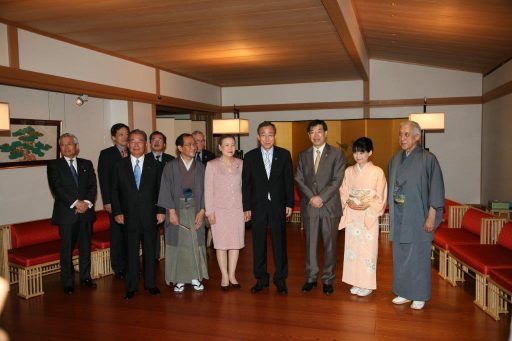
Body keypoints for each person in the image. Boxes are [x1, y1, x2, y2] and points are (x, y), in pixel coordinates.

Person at [388, 121, 444, 310]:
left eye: (406, 134)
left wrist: (432, 215)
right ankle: (404, 291)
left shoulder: (428, 159)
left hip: (418, 215)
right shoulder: (395, 159)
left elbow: (436, 188)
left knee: (418, 255)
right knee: (401, 254)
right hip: (400, 213)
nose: (402, 138)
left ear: (417, 137)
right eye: (400, 134)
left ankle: (419, 294)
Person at [111, 129, 165, 300]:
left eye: (139, 141)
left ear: (146, 144)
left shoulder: (155, 165)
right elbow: (114, 192)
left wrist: (161, 211)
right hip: (128, 217)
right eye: (132, 141)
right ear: (128, 144)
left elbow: (160, 191)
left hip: (150, 216)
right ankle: (131, 287)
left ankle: (150, 284)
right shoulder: (119, 165)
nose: (136, 144)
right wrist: (118, 212)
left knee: (150, 253)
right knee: (130, 253)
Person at [242, 121, 294, 295]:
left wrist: (289, 203)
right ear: (258, 137)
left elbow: (288, 181)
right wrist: (246, 207)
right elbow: (246, 185)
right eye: (263, 134)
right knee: (258, 244)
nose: (266, 138)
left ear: (275, 136)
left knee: (279, 244)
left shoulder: (284, 155)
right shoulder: (250, 157)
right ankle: (261, 279)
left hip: (278, 206)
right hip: (257, 206)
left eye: (270, 134)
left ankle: (280, 279)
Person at [295, 120, 345, 295]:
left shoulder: (337, 154)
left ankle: (328, 279)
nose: (315, 135)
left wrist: (321, 197)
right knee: (310, 244)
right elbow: (299, 179)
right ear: (308, 135)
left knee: (330, 245)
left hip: (329, 206)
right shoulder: (303, 155)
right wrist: (312, 197)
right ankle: (311, 277)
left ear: (326, 133)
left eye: (319, 131)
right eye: (312, 132)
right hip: (310, 206)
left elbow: (337, 179)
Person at [158, 133, 209, 293]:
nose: (194, 147)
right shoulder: (170, 166)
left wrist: (202, 210)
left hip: (196, 207)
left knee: (195, 242)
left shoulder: (201, 167)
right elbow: (165, 189)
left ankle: (195, 276)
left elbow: (208, 191)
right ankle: (179, 278)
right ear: (179, 148)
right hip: (176, 208)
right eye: (189, 144)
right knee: (179, 244)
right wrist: (171, 212)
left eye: (195, 144)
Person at [47, 133, 97, 294]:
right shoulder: (54, 165)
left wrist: (87, 204)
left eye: (70, 144)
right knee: (66, 249)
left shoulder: (86, 164)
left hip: (86, 213)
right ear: (60, 148)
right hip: (66, 215)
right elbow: (57, 188)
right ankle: (67, 282)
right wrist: (76, 203)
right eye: (63, 145)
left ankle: (85, 278)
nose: (66, 147)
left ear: (76, 147)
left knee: (85, 247)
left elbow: (92, 186)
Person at [339, 137, 387, 297]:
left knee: (367, 249)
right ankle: (355, 281)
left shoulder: (377, 172)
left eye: (362, 152)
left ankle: (366, 284)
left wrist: (367, 204)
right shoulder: (349, 171)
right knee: (352, 249)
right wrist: (348, 201)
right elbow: (344, 190)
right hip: (353, 213)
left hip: (368, 214)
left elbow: (380, 195)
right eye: (355, 152)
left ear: (370, 152)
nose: (358, 155)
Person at [204, 135, 246, 291]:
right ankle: (224, 276)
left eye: (232, 145)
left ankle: (233, 275)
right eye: (226, 145)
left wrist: (246, 209)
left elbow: (245, 188)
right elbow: (208, 190)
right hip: (219, 211)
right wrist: (210, 212)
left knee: (235, 243)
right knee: (221, 244)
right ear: (220, 147)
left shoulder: (240, 164)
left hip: (237, 210)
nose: (230, 148)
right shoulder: (212, 165)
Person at [98, 123, 130, 279]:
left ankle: (130, 264)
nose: (125, 137)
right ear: (113, 137)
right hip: (115, 202)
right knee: (117, 235)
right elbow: (103, 179)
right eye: (121, 134)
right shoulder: (106, 154)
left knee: (130, 235)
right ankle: (118, 268)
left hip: (132, 203)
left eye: (126, 134)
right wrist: (107, 201)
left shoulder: (134, 151)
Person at [147, 131, 175, 261]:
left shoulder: (171, 160)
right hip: (150, 204)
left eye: (160, 140)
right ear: (149, 143)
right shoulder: (144, 159)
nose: (157, 142)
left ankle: (171, 257)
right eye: (154, 139)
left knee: (170, 231)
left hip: (169, 202)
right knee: (152, 233)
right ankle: (154, 258)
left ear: (164, 144)